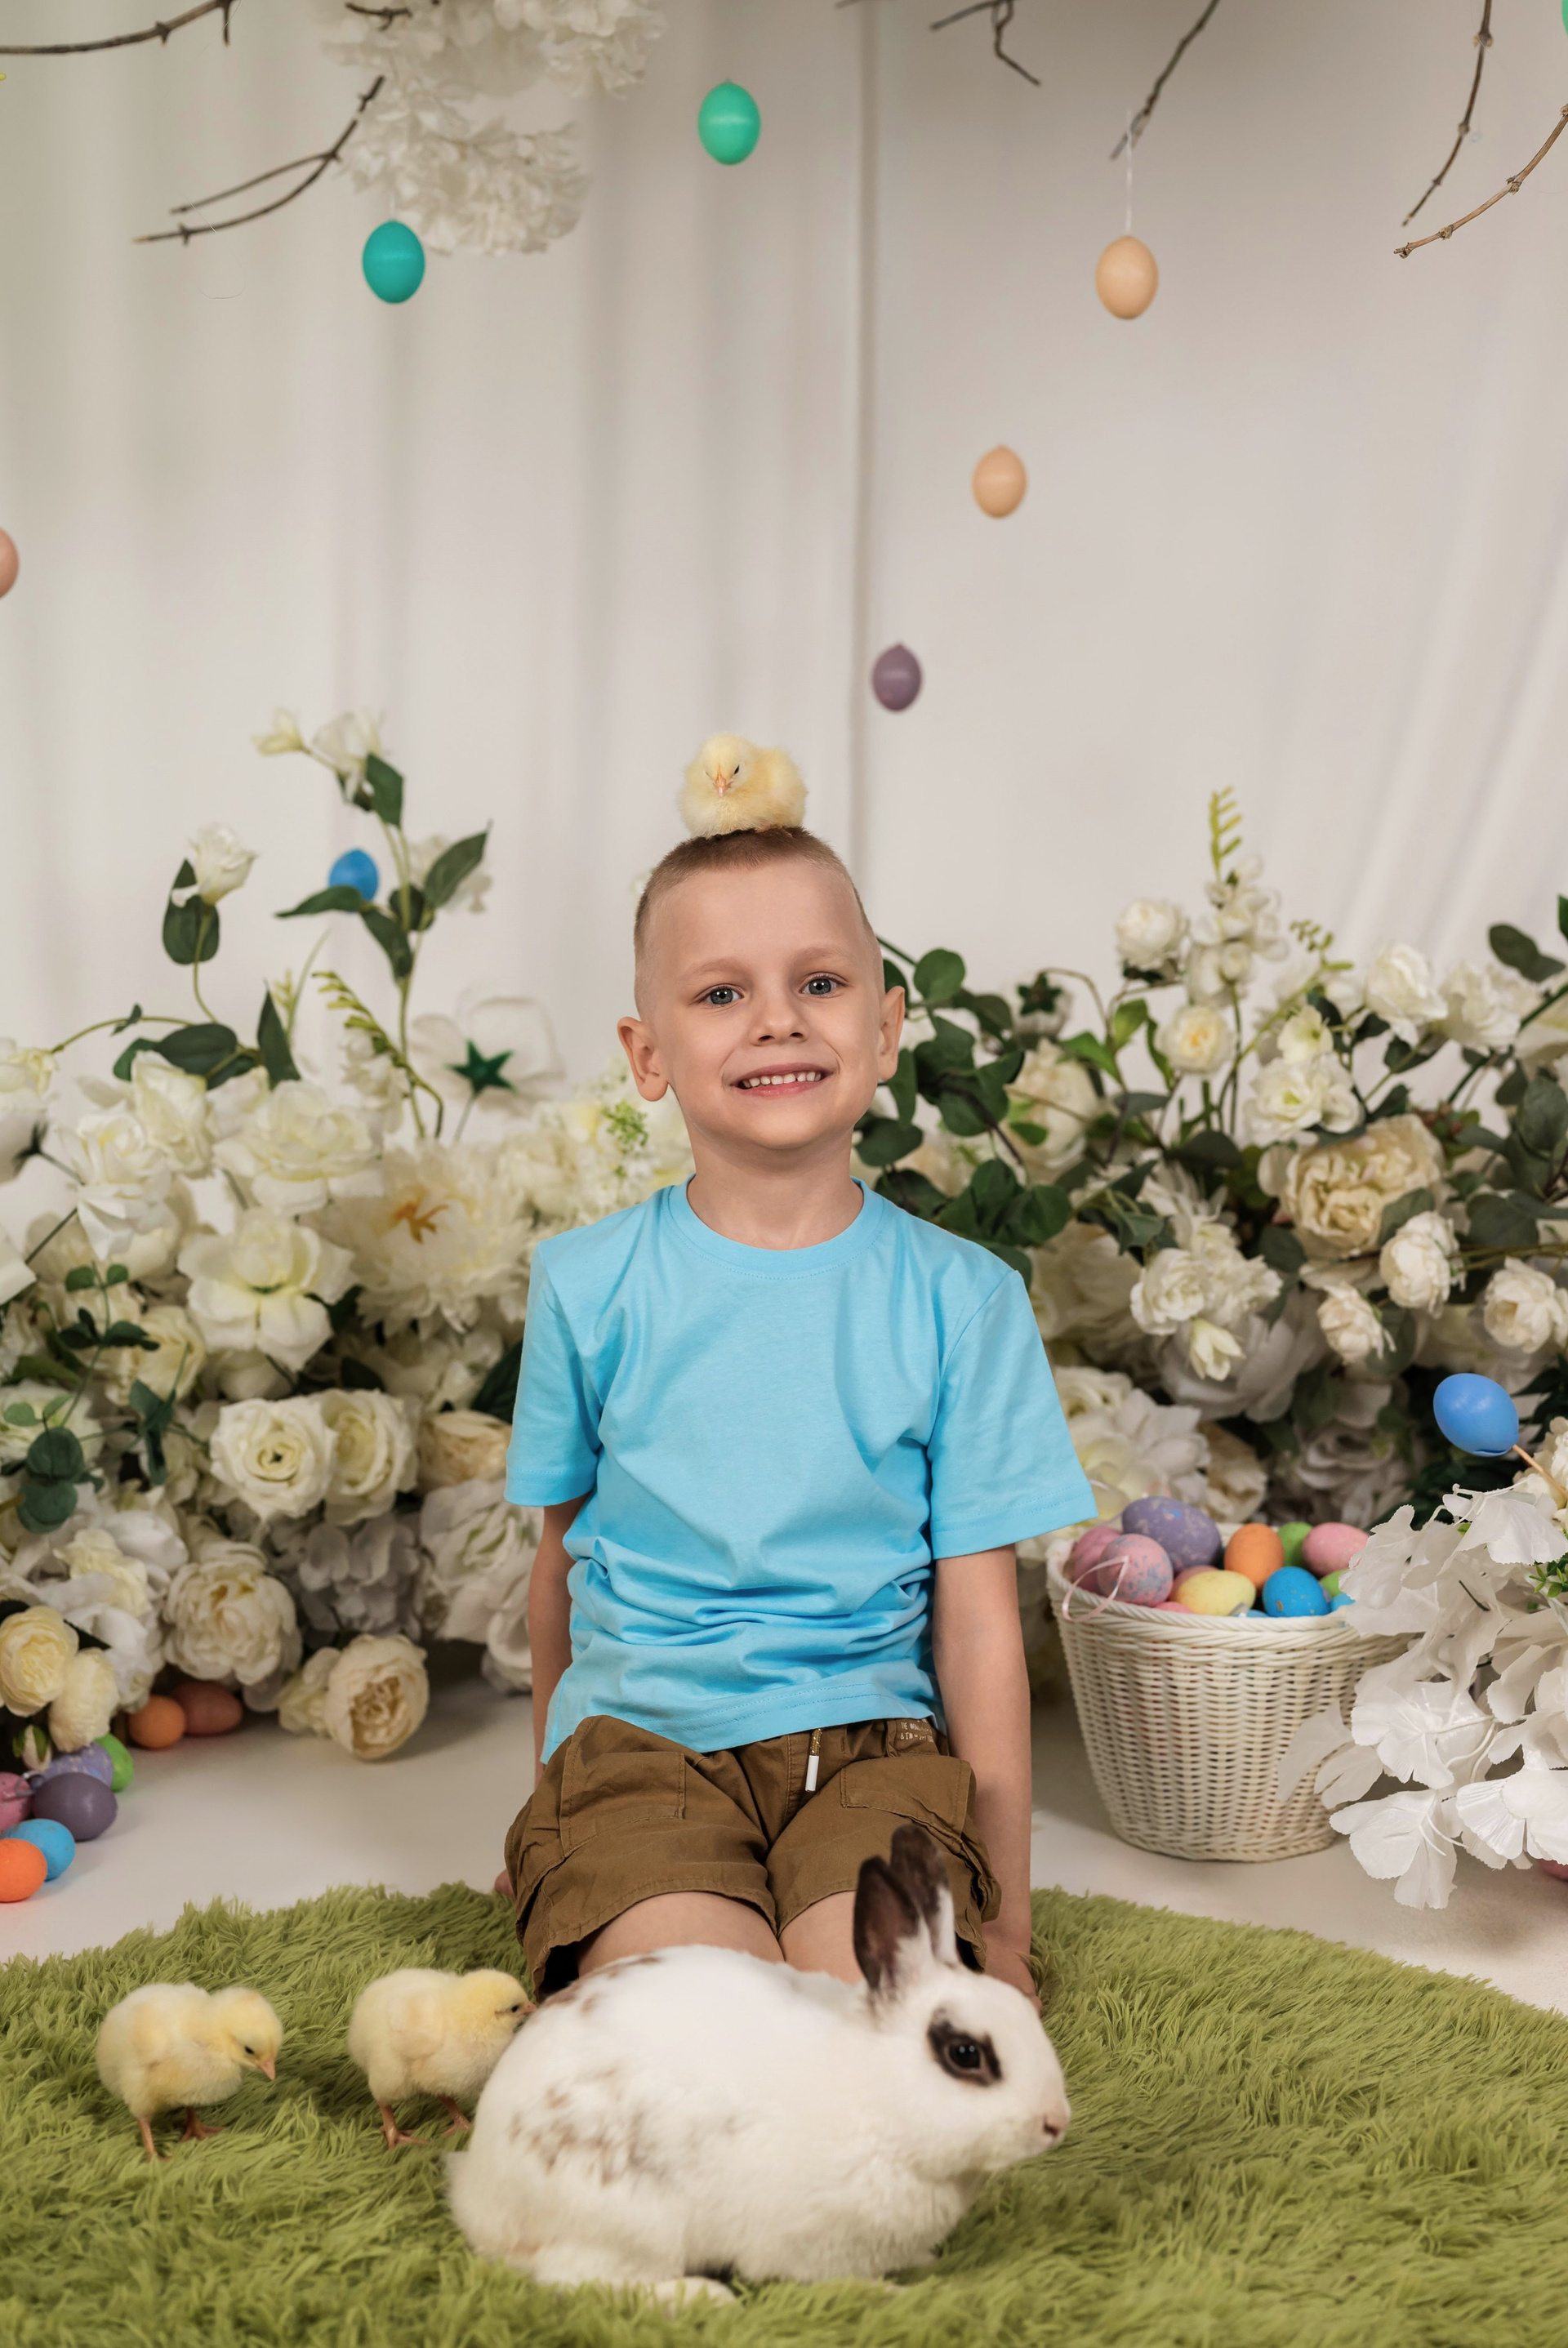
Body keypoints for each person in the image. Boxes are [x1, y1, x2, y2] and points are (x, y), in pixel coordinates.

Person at [501, 822, 1093, 2006]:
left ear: (884, 1029)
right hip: (638, 1751)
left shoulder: (964, 1301)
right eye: (722, 993)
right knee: (702, 2012)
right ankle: (637, 1895)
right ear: (648, 1054)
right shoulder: (586, 1285)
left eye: (819, 984)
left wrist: (1007, 1924)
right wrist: (562, 1806)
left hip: (874, 1757)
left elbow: (981, 1629)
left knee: (877, 2015)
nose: (778, 1020)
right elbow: (559, 1566)